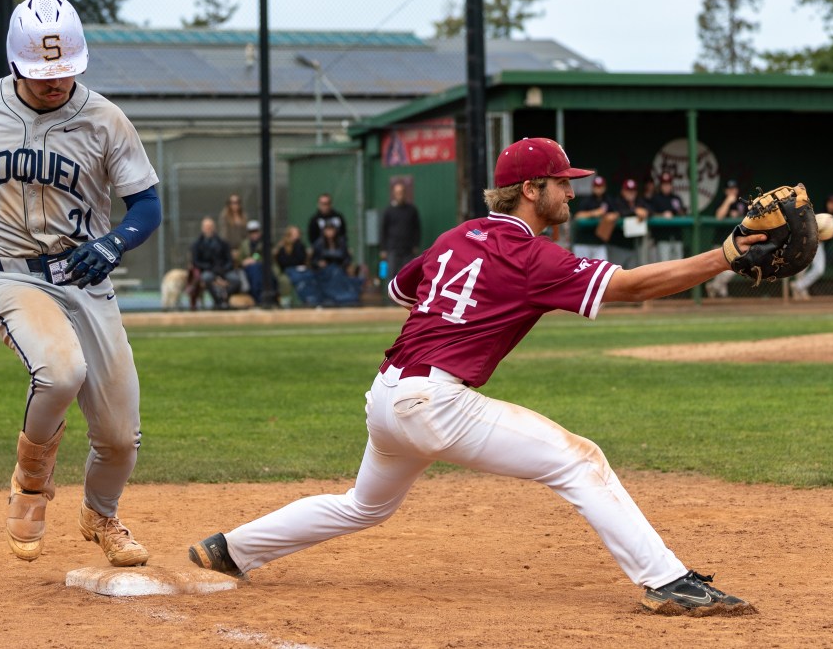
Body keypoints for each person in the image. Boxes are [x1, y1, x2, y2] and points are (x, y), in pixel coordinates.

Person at [187, 136, 758, 617]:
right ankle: (667, 582)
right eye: (561, 182)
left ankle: (230, 549)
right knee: (579, 460)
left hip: (387, 394)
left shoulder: (455, 236)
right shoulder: (533, 257)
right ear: (531, 189)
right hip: (435, 402)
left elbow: (403, 290)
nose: (571, 190)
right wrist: (724, 256)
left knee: (364, 506)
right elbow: (630, 285)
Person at [0, 0, 161, 567]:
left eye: (67, 70)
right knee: (59, 371)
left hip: (85, 276)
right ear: (16, 62)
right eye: (44, 73)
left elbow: (146, 206)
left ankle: (101, 514)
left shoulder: (103, 119)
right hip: (11, 274)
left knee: (121, 437)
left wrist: (113, 242)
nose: (56, 83)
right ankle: (30, 479)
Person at [790, 192, 833, 300]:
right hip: (807, 241)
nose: (832, 205)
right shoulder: (820, 213)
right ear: (826, 203)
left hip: (818, 244)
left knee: (819, 269)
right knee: (802, 268)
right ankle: (800, 292)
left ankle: (798, 287)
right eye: (830, 202)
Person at [706, 180, 748, 299]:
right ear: (725, 191)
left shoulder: (742, 201)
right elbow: (719, 217)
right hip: (720, 243)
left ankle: (714, 287)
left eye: (734, 189)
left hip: (736, 243)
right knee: (721, 270)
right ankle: (718, 293)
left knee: (732, 269)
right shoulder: (721, 201)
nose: (732, 191)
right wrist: (728, 202)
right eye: (729, 189)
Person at [191, 216, 239, 309]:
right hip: (208, 270)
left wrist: (223, 269)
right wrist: (210, 268)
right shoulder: (197, 245)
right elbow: (196, 262)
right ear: (202, 228)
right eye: (206, 227)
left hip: (224, 270)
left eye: (210, 227)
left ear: (214, 228)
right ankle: (218, 301)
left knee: (236, 280)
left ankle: (224, 297)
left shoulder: (223, 243)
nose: (208, 229)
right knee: (206, 278)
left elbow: (229, 260)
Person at [379, 181, 421, 280]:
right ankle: (390, 295)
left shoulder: (412, 210)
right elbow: (383, 230)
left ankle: (406, 296)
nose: (400, 195)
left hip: (408, 249)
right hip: (392, 249)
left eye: (401, 192)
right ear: (394, 194)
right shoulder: (388, 211)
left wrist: (416, 245)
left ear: (405, 193)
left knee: (408, 275)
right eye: (397, 192)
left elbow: (417, 228)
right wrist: (383, 249)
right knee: (391, 274)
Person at [605, 179, 650, 269]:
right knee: (615, 274)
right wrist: (634, 211)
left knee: (633, 276)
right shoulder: (616, 201)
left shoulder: (639, 202)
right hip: (617, 245)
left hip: (633, 247)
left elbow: (650, 210)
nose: (631, 193)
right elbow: (616, 212)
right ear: (623, 191)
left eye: (633, 190)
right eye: (628, 190)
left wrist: (646, 212)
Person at [571, 175, 614, 259]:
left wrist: (611, 216)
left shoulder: (608, 200)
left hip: (599, 243)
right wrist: (594, 213)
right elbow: (577, 216)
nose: (598, 189)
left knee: (602, 270)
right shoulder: (586, 200)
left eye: (600, 186)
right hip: (583, 242)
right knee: (581, 270)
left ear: (604, 187)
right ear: (593, 187)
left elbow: (616, 213)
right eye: (596, 186)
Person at [648, 172, 688, 262]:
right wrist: (662, 215)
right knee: (664, 264)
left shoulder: (676, 198)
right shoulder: (656, 198)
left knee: (679, 264)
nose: (666, 186)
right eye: (664, 184)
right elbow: (650, 214)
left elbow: (682, 214)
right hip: (662, 237)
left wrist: (680, 212)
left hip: (677, 237)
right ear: (661, 185)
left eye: (668, 184)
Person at [273, 225, 310, 307]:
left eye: (297, 234)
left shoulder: (300, 246)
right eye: (294, 234)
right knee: (296, 279)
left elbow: (301, 259)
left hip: (300, 270)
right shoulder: (282, 247)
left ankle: (309, 300)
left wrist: (297, 245)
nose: (297, 236)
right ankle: (298, 301)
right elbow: (283, 262)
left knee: (308, 276)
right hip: (287, 270)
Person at [238, 218, 272, 303]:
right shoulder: (244, 244)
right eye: (251, 232)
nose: (254, 234)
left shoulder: (264, 242)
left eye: (256, 231)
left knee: (256, 269)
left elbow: (264, 255)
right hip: (247, 269)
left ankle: (258, 298)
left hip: (262, 268)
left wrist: (254, 259)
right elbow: (240, 259)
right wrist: (244, 262)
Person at [219, 194, 249, 265]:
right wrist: (231, 250)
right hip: (229, 248)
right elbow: (224, 235)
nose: (235, 205)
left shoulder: (244, 216)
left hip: (242, 249)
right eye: (232, 202)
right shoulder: (225, 216)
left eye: (237, 202)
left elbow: (246, 235)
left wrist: (241, 250)